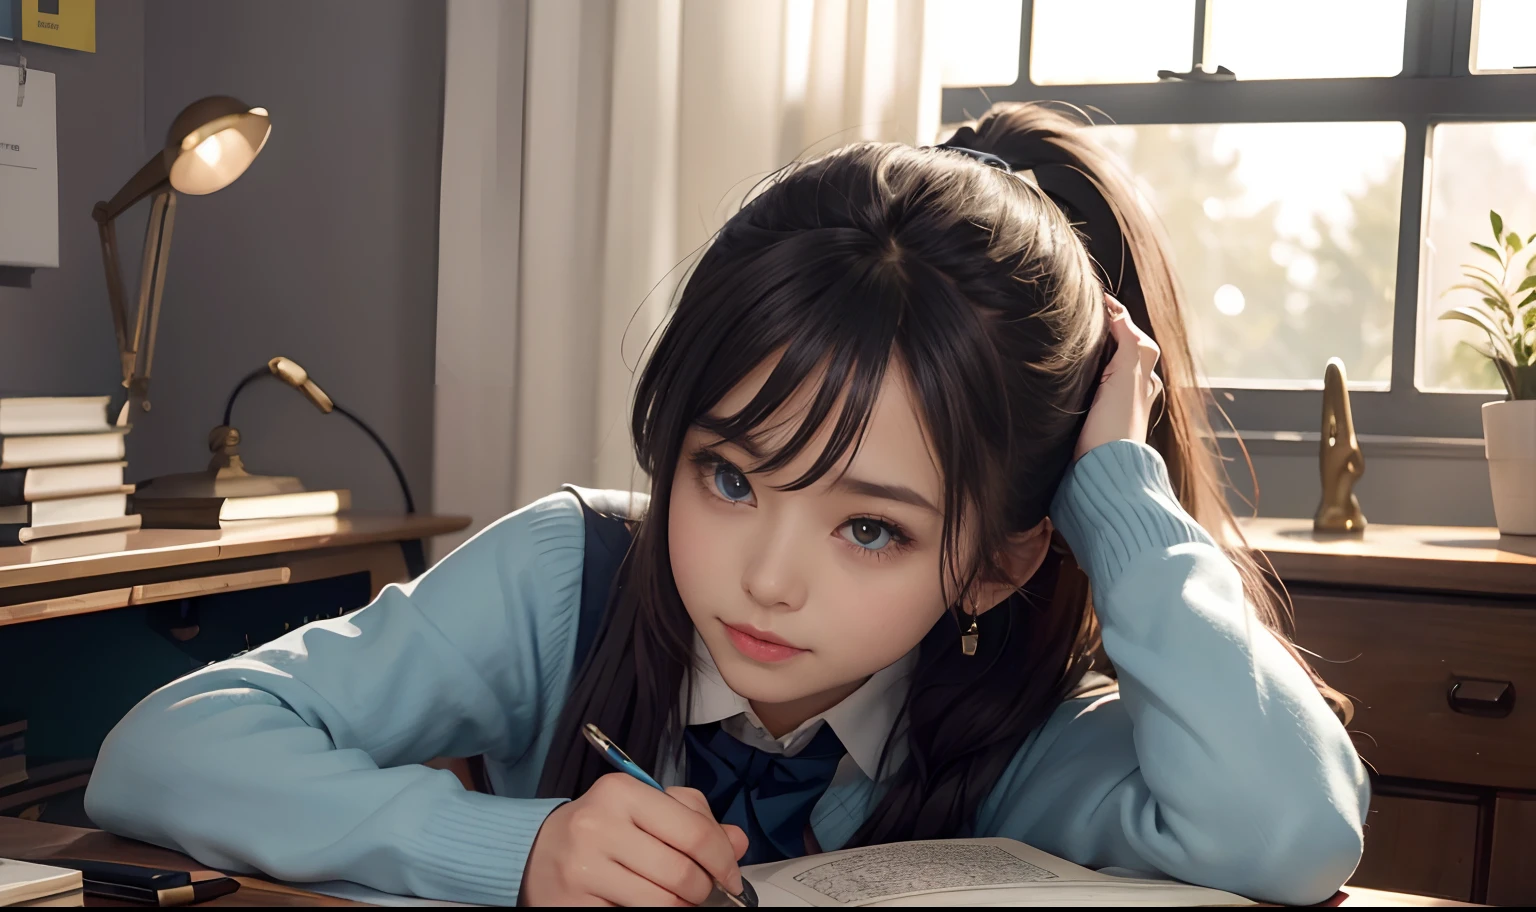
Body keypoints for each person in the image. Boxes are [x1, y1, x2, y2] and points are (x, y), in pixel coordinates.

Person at [85, 103, 1368, 907]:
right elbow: (160, 752)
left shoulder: (1016, 722)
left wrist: (1118, 497)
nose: (765, 578)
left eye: (873, 528)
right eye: (730, 475)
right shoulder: (570, 575)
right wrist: (513, 851)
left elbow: (1294, 833)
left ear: (996, 562)